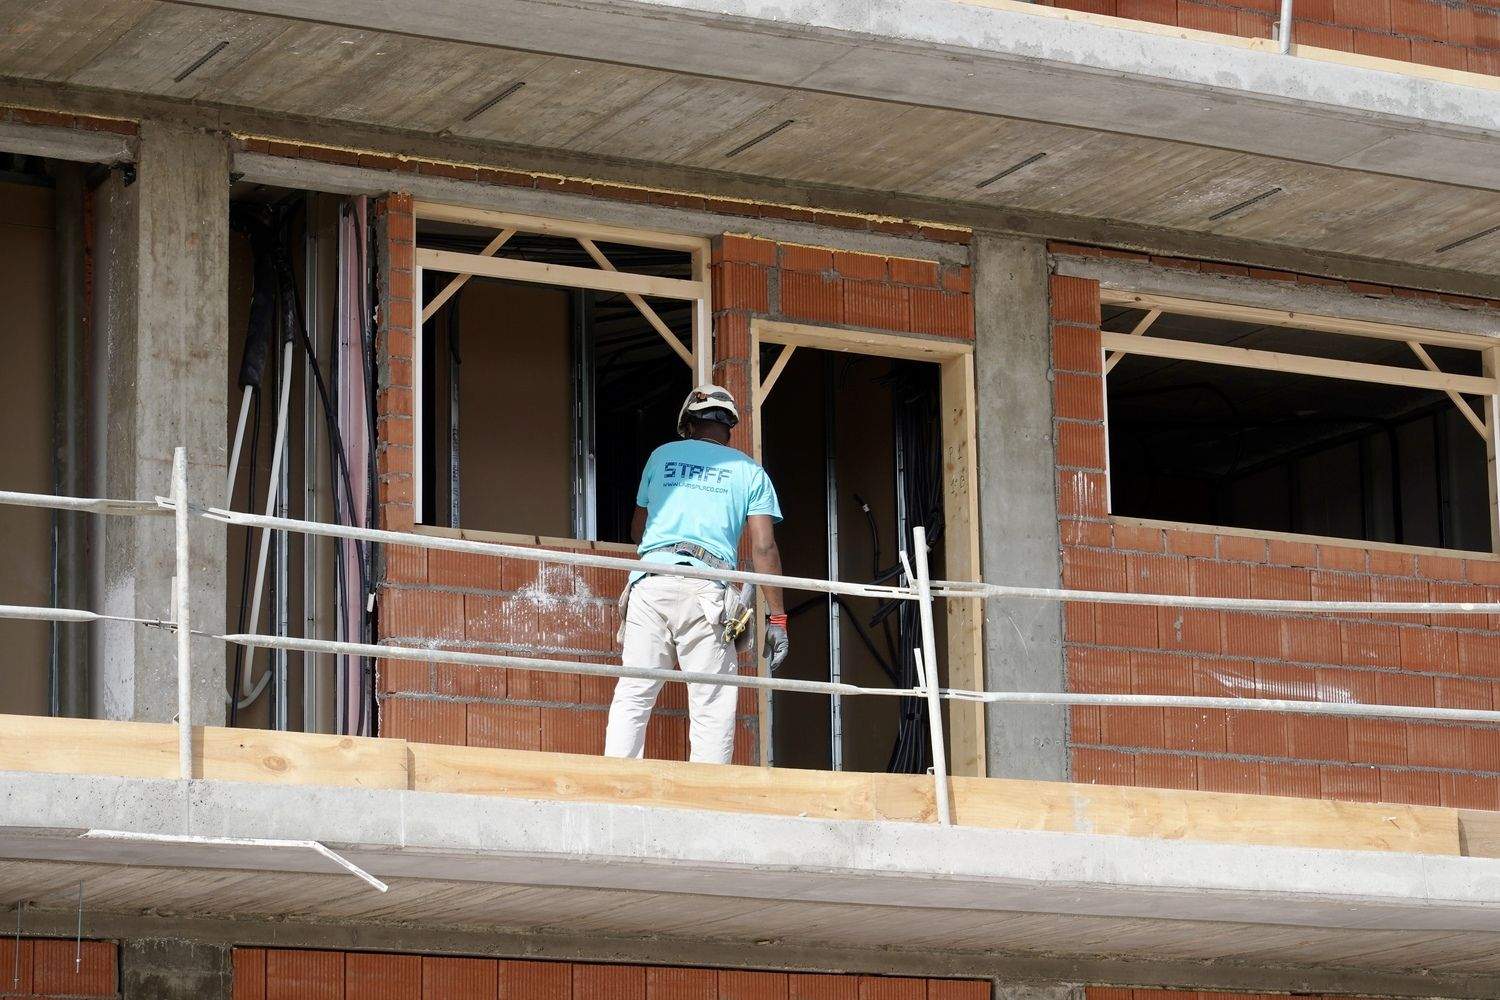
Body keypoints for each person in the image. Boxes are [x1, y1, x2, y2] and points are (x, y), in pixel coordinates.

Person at [603, 384, 789, 764]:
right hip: (708, 591)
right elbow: (764, 548)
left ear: (687, 424)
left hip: (651, 582)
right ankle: (706, 799)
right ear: (730, 427)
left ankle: (615, 785)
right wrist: (778, 618)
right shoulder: (749, 472)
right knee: (712, 703)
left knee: (635, 692)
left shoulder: (661, 457)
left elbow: (638, 530)